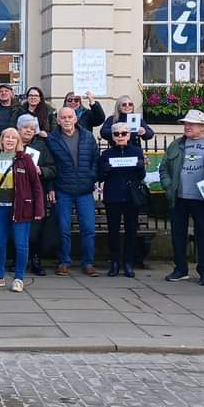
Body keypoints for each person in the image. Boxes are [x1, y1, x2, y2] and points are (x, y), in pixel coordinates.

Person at [0, 128, 44, 293]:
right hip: (0, 207)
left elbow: (36, 186)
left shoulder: (25, 159)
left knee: (20, 244)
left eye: (14, 137)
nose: (10, 140)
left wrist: (39, 209)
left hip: (21, 208)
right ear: (2, 140)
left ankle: (19, 278)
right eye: (7, 137)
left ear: (18, 141)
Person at [158, 109, 204, 285]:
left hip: (203, 198)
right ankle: (180, 269)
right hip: (179, 197)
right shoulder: (176, 144)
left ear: (202, 126)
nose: (187, 127)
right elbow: (164, 168)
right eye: (186, 124)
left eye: (191, 124)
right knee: (178, 235)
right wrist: (168, 185)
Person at [47, 106, 100, 276]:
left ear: (76, 119)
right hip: (63, 189)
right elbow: (50, 166)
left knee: (89, 229)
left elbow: (95, 160)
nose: (67, 120)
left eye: (70, 117)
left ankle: (88, 262)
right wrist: (51, 188)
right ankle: (63, 261)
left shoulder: (88, 136)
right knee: (63, 228)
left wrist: (92, 177)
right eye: (63, 117)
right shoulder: (52, 139)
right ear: (58, 120)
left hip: (85, 190)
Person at [98, 121, 146, 278]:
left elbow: (141, 176)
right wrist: (105, 170)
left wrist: (140, 166)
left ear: (129, 135)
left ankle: (128, 262)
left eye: (123, 133)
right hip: (113, 196)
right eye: (117, 134)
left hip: (131, 197)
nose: (120, 136)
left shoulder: (137, 151)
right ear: (112, 136)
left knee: (131, 230)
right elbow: (99, 176)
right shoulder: (106, 154)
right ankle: (114, 262)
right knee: (113, 231)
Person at [17, 115, 57, 276]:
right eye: (25, 128)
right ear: (19, 129)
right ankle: (18, 260)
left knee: (35, 230)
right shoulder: (12, 143)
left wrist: (42, 170)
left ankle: (35, 260)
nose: (28, 131)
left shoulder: (41, 146)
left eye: (32, 129)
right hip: (16, 193)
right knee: (18, 228)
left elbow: (52, 169)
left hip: (35, 193)